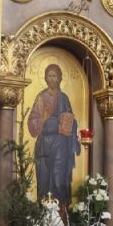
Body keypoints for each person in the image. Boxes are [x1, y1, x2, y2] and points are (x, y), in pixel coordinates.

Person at [28, 63, 81, 207]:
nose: (52, 79)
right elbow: (32, 121)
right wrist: (45, 121)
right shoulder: (41, 97)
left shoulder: (64, 98)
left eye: (54, 76)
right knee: (44, 180)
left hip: (61, 145)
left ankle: (62, 213)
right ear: (45, 78)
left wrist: (68, 123)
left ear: (59, 78)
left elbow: (72, 120)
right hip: (44, 145)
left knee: (59, 179)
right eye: (49, 76)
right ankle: (43, 212)